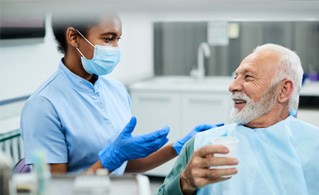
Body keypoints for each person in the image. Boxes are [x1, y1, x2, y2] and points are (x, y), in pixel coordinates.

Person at [19, 12, 221, 175]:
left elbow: (126, 163)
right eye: (108, 39)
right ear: (73, 37)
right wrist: (110, 159)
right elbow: (54, 191)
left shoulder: (115, 91)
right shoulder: (44, 105)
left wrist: (179, 147)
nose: (115, 48)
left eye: (118, 39)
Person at [158, 43, 319, 195]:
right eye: (235, 76)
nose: (232, 86)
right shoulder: (202, 146)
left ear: (283, 90)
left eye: (248, 77)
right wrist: (184, 183)